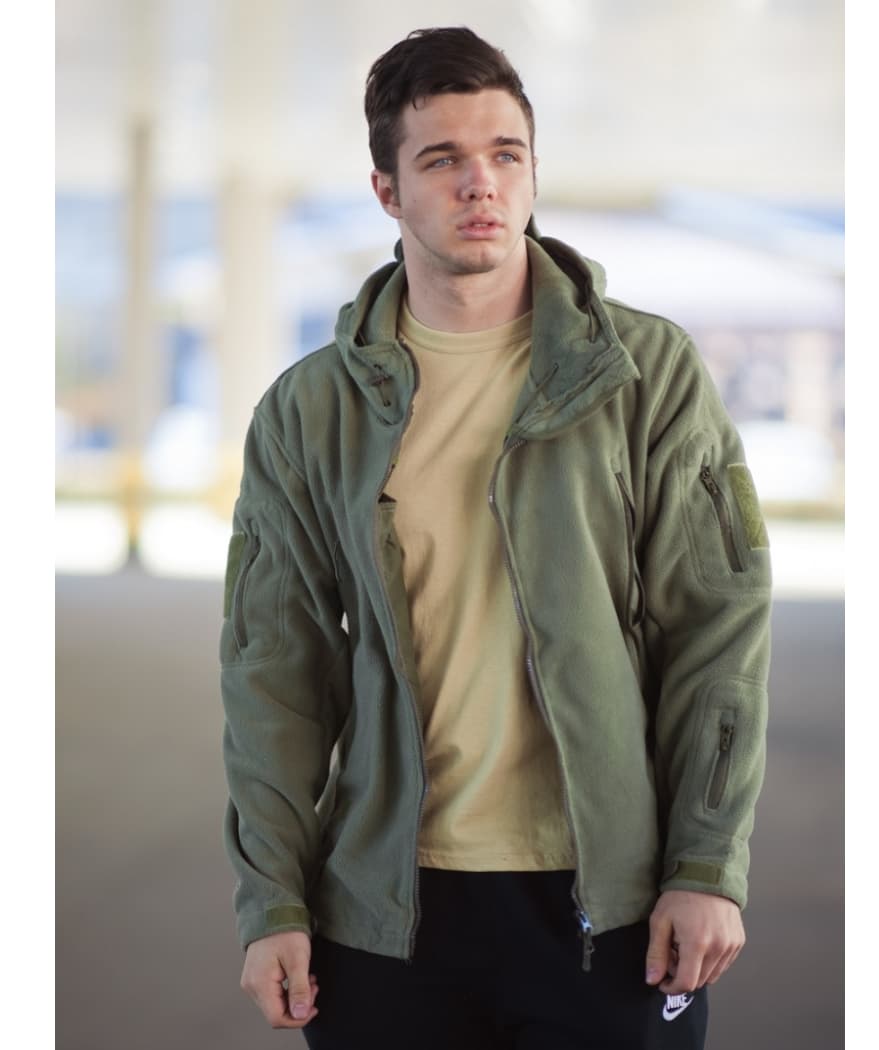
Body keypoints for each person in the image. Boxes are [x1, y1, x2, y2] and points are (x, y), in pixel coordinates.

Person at [220, 26, 771, 1050]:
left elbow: (716, 633)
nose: (481, 182)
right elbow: (275, 674)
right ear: (387, 191)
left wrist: (706, 866)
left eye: (505, 154)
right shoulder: (308, 412)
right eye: (442, 159)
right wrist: (274, 902)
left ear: (531, 172)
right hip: (386, 908)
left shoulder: (646, 373)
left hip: (608, 901)